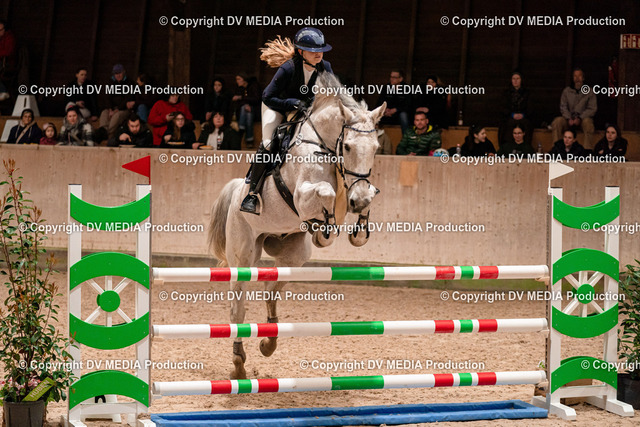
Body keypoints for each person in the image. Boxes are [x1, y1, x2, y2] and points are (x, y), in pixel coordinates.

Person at [240, 27, 333, 215]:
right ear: (301, 52)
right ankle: (252, 194)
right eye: (313, 51)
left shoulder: (325, 67)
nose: (318, 54)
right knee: (268, 144)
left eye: (320, 50)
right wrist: (292, 103)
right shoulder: (288, 68)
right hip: (277, 106)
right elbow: (267, 96)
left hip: (305, 110)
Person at [551, 68, 597, 149]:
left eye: (579, 76)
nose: (577, 78)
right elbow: (563, 106)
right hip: (568, 119)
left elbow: (592, 108)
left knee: (588, 124)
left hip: (582, 120)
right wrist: (569, 118)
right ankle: (556, 150)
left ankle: (587, 151)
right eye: (575, 76)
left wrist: (580, 118)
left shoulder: (590, 92)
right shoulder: (567, 91)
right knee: (557, 122)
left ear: (583, 78)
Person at [98, 64, 135, 139]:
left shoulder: (129, 82)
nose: (118, 75)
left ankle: (106, 134)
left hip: (123, 109)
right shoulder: (110, 82)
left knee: (117, 116)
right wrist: (110, 109)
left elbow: (127, 98)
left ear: (123, 72)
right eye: (116, 73)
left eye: (119, 73)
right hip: (112, 108)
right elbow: (107, 96)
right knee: (104, 113)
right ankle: (102, 132)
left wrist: (117, 109)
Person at [498, 71, 532, 146]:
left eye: (517, 78)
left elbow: (530, 107)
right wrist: (512, 114)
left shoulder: (527, 93)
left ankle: (525, 146)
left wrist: (523, 115)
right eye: (513, 79)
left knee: (527, 124)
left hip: (524, 117)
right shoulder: (506, 93)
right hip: (509, 116)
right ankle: (506, 146)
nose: (515, 81)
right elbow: (503, 107)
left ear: (521, 80)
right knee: (506, 124)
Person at [376, 69, 411, 134]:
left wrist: (395, 110)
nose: (391, 79)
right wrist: (385, 110)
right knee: (376, 114)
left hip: (399, 113)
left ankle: (406, 138)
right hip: (387, 113)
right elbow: (379, 102)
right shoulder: (386, 87)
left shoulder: (406, 88)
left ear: (400, 79)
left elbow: (408, 105)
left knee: (403, 115)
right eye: (391, 77)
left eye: (394, 77)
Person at [232, 73, 260, 147]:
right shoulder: (239, 88)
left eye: (239, 79)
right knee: (246, 112)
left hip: (255, 112)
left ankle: (241, 128)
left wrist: (242, 98)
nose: (237, 81)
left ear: (244, 79)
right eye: (236, 79)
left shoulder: (253, 86)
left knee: (248, 112)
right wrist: (246, 104)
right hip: (241, 112)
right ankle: (249, 140)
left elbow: (256, 99)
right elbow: (236, 102)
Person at [0, 20, 16, 101]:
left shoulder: (10, 38)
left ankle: (3, 90)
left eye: (0, 30)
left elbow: (8, 52)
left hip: (6, 63)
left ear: (5, 30)